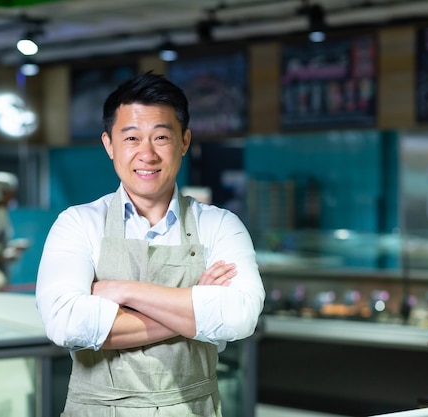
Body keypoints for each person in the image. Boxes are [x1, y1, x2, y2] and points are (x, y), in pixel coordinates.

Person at [35, 71, 265, 417]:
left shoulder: (220, 224)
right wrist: (193, 312)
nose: (147, 154)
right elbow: (64, 322)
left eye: (161, 137)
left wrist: (122, 291)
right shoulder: (78, 223)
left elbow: (239, 316)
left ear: (184, 141)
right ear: (109, 145)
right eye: (131, 139)